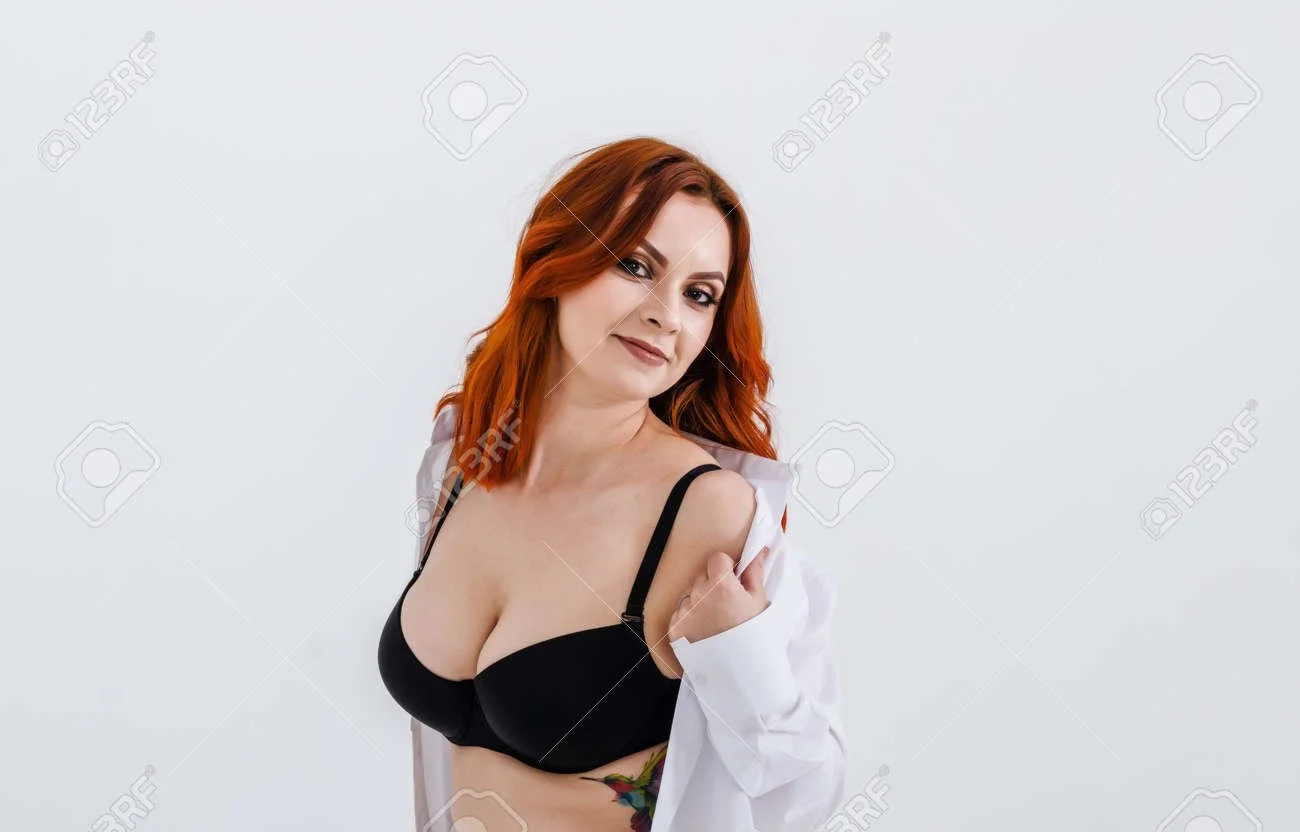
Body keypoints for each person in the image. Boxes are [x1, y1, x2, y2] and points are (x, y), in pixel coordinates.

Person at [377, 136, 846, 831]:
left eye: (699, 295)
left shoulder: (708, 509)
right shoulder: (464, 461)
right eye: (635, 266)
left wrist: (739, 653)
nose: (667, 315)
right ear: (556, 259)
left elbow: (808, 797)